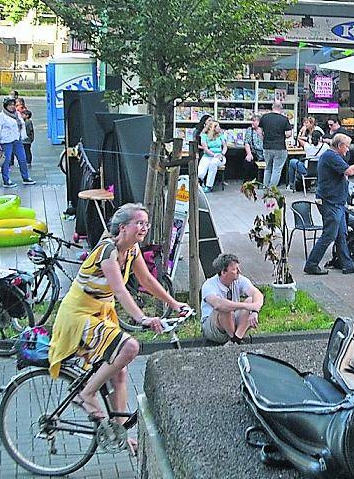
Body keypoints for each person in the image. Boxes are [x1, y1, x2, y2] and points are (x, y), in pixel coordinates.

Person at [47, 204, 188, 450]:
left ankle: (119, 433)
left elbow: (147, 281)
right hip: (79, 316)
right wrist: (142, 318)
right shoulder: (107, 251)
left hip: (101, 314)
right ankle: (87, 393)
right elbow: (120, 290)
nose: (144, 228)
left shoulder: (131, 250)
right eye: (140, 223)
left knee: (120, 370)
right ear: (123, 227)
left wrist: (175, 304)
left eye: (146, 223)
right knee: (130, 347)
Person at [303, 133, 354, 275]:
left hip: (337, 202)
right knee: (329, 235)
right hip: (330, 202)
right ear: (339, 146)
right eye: (346, 146)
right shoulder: (331, 156)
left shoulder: (333, 156)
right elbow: (349, 171)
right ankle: (311, 264)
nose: (347, 150)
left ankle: (347, 264)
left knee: (341, 234)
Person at [200, 253, 264, 344]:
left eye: (238, 268)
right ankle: (234, 338)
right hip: (213, 327)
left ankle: (236, 339)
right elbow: (218, 305)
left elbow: (257, 293)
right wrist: (246, 306)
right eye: (234, 269)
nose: (239, 271)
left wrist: (255, 311)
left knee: (250, 300)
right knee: (225, 307)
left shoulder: (240, 279)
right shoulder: (209, 285)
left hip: (233, 322)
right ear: (223, 272)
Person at [0, 97, 33, 187]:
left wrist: (23, 136)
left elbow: (22, 125)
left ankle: (26, 178)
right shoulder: (1, 116)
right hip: (6, 141)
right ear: (6, 106)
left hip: (17, 140)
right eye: (10, 105)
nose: (12, 106)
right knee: (7, 161)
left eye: (14, 104)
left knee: (22, 159)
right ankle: (6, 180)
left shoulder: (17, 114)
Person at [260, 101, 292, 188]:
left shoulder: (264, 117)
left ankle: (265, 188)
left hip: (267, 146)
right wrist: (282, 136)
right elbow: (289, 133)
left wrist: (264, 139)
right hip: (280, 147)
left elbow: (259, 131)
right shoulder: (284, 119)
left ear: (272, 107)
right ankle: (272, 190)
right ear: (281, 108)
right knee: (276, 169)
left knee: (268, 168)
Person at [197, 119, 227, 193]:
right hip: (208, 155)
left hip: (220, 156)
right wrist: (214, 155)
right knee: (200, 173)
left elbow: (225, 146)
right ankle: (200, 183)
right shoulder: (204, 136)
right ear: (213, 128)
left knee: (213, 163)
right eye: (218, 127)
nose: (219, 128)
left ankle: (209, 186)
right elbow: (205, 148)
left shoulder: (221, 135)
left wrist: (222, 154)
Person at [243, 115, 264, 182]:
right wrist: (249, 154)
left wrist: (260, 134)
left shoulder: (264, 130)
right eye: (252, 121)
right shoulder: (249, 130)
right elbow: (246, 143)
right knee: (248, 160)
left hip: (264, 153)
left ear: (259, 122)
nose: (252, 122)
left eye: (254, 121)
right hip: (254, 152)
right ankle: (247, 181)